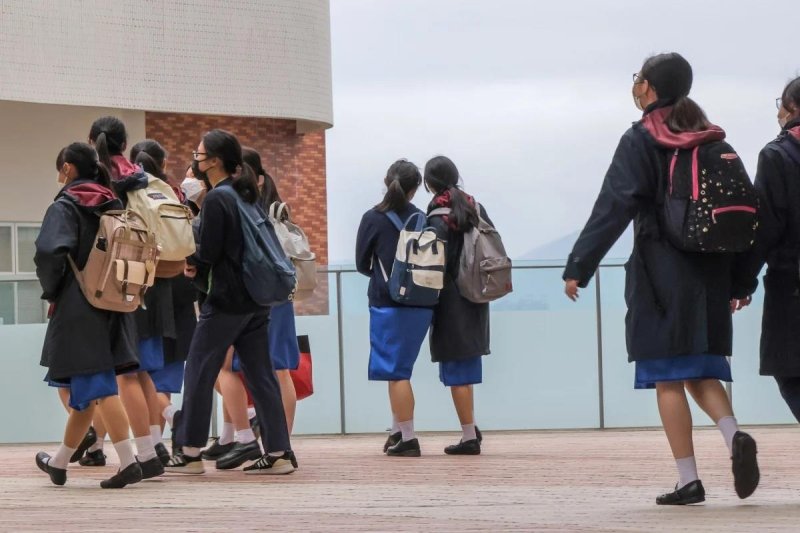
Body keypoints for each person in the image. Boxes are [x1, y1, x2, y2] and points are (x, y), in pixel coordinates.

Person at [562, 53, 759, 505]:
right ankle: (734, 437)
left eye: (638, 80)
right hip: (712, 273)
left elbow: (614, 204)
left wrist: (579, 265)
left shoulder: (642, 139)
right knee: (702, 370)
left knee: (668, 377)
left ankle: (688, 480)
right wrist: (741, 282)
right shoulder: (709, 137)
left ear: (649, 88)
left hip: (661, 274)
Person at [165, 129, 296, 475]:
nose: (195, 157)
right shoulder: (245, 194)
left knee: (198, 369)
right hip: (256, 300)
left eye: (200, 152)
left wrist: (191, 262)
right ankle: (280, 452)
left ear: (215, 160)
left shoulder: (219, 199)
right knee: (260, 375)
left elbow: (208, 251)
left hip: (226, 301)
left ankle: (190, 452)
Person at [34, 143, 142, 488]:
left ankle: (129, 462)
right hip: (114, 301)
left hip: (80, 304)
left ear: (67, 168)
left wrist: (53, 289)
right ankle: (60, 462)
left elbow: (49, 251)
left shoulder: (66, 205)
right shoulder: (113, 202)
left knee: (97, 383)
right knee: (86, 387)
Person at [88, 117, 166, 479]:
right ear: (126, 142)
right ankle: (151, 447)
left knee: (124, 375)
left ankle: (143, 455)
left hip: (113, 284)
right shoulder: (142, 175)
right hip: (147, 279)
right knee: (141, 372)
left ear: (93, 140)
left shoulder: (99, 177)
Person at [733, 76, 800, 421]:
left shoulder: (779, 155)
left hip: (793, 286)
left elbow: (764, 226)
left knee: (791, 374)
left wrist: (742, 283)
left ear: (791, 108)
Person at [355, 160, 433, 457]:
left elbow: (363, 263)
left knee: (396, 371)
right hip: (422, 303)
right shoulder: (422, 218)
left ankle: (409, 438)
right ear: (416, 189)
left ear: (386, 181)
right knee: (399, 370)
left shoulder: (372, 218)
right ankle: (398, 431)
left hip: (387, 302)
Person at [424, 156, 487, 456]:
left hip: (450, 298)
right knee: (466, 364)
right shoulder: (475, 206)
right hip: (476, 294)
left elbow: (434, 262)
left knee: (457, 370)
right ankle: (470, 426)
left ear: (428, 183)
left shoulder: (437, 216)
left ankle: (468, 437)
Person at [247, 146, 301, 434]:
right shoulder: (278, 212)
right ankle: (283, 436)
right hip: (281, 297)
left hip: (261, 297)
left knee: (271, 369)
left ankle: (275, 435)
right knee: (279, 369)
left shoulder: (254, 213)